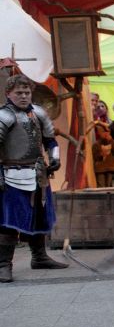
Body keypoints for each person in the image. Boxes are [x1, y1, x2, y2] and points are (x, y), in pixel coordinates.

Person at [0, 74, 67, 283]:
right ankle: (3, 264)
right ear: (8, 94)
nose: (23, 96)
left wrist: (55, 159)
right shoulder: (3, 116)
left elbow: (51, 141)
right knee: (9, 221)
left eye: (27, 92)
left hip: (38, 173)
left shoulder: (39, 113)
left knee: (39, 216)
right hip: (12, 174)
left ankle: (39, 257)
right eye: (19, 93)